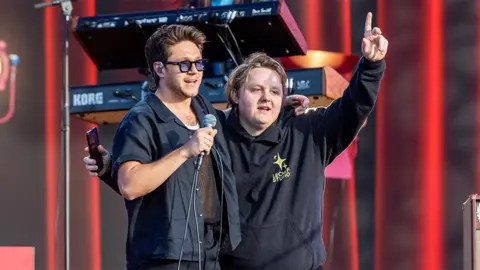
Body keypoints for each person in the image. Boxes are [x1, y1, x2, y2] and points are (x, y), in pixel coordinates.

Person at [86, 12, 387, 270]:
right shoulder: (211, 132)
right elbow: (160, 189)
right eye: (256, 89)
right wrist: (111, 169)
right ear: (234, 96)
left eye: (274, 91)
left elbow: (353, 108)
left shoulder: (309, 130)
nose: (266, 97)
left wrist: (371, 66)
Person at [109, 24, 242, 270]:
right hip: (165, 258)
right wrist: (184, 151)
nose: (194, 72)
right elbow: (129, 185)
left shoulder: (204, 108)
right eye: (184, 64)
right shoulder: (141, 119)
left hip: (211, 253)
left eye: (199, 63)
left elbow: (237, 120)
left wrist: (280, 106)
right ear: (159, 68)